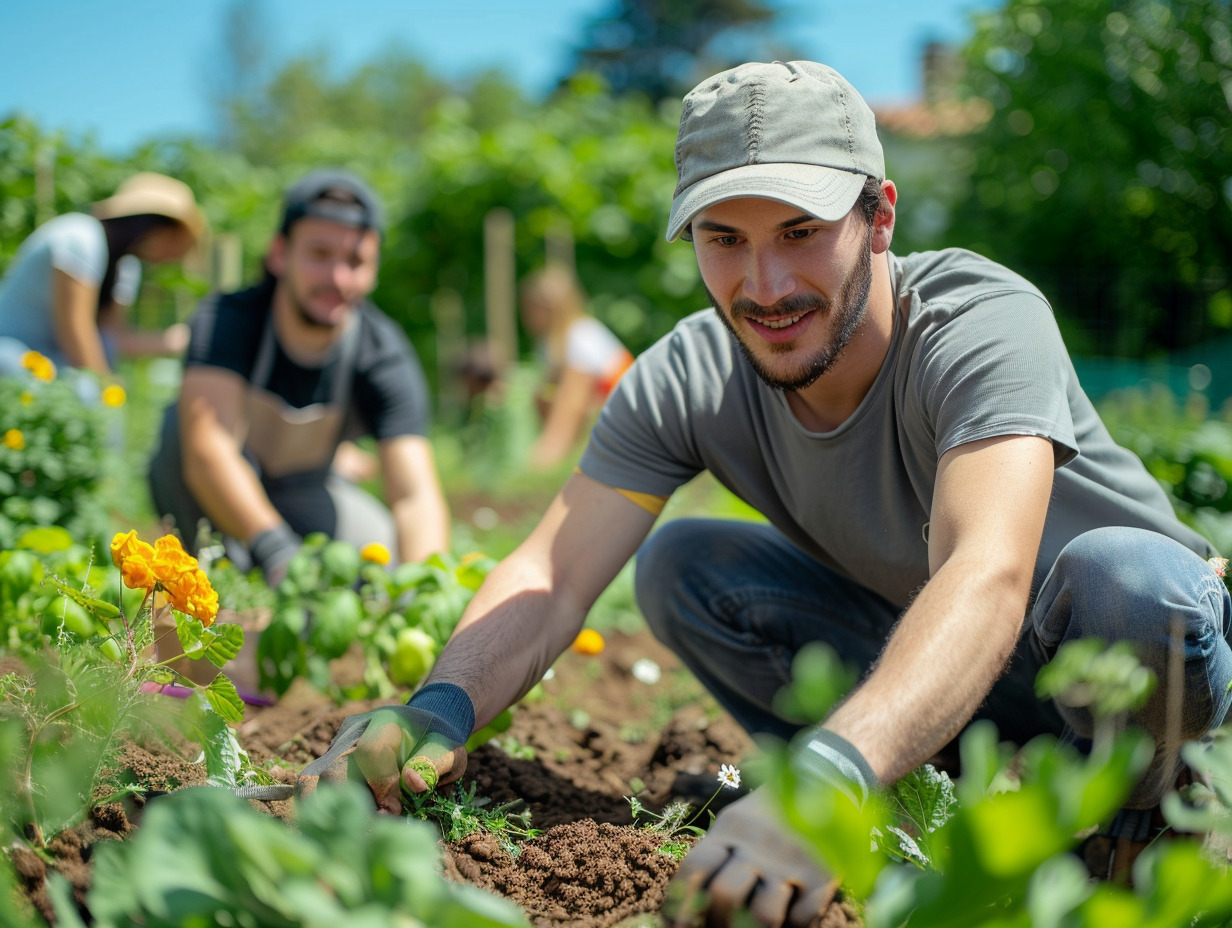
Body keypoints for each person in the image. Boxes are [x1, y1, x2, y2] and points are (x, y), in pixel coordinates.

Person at [297, 62, 1230, 926]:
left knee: (1132, 579)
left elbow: (986, 572)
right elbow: (552, 567)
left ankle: (1150, 827)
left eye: (801, 232)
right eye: (723, 240)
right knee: (685, 567)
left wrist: (827, 773)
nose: (766, 285)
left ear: (881, 217)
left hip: (1130, 673)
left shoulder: (978, 322)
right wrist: (436, 710)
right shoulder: (691, 377)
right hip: (951, 681)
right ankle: (921, 791)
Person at [147, 169, 450, 584]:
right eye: (319, 255)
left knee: (382, 556)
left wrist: (424, 590)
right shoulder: (226, 320)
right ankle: (206, 574)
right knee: (176, 430)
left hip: (305, 491)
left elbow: (415, 496)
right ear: (279, 254)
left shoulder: (381, 352)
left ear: (374, 270)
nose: (338, 278)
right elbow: (209, 453)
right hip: (211, 493)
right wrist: (275, 549)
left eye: (356, 262)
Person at [0, 172, 203, 389]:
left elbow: (113, 337)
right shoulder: (81, 238)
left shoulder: (125, 268)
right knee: (86, 391)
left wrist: (171, 341)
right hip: (12, 348)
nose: (174, 255)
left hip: (51, 357)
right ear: (154, 228)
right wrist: (105, 387)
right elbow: (76, 332)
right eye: (175, 239)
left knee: (96, 373)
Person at [519, 265, 633, 469]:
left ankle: (551, 452)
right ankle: (568, 454)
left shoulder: (581, 335)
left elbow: (575, 393)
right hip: (599, 405)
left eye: (531, 309)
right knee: (543, 394)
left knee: (571, 386)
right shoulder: (549, 343)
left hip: (624, 404)